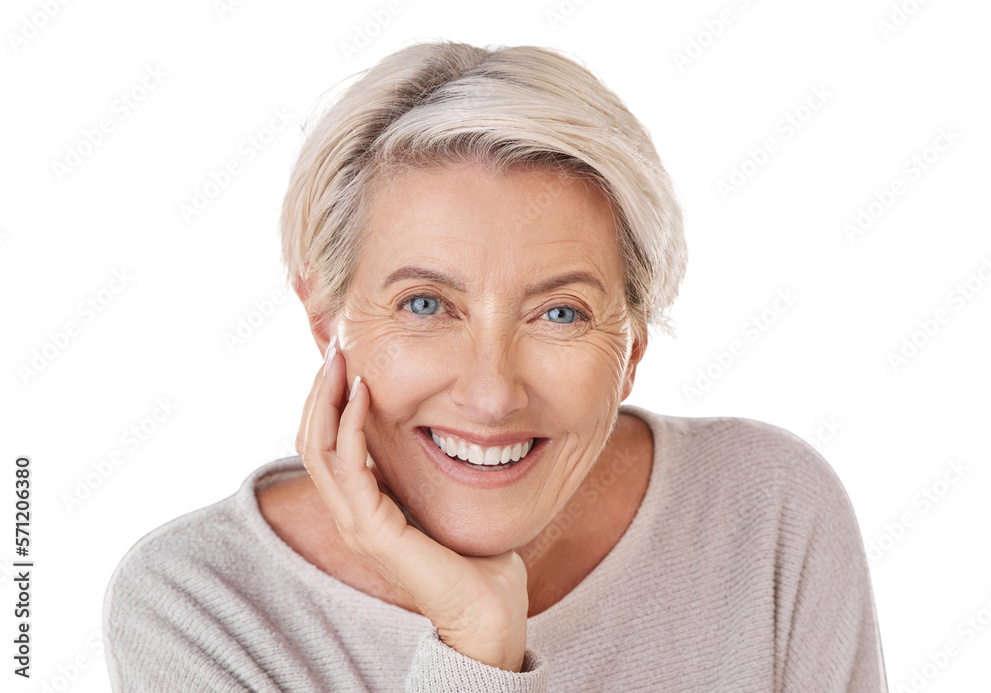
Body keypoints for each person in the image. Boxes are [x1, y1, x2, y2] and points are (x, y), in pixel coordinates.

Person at [103, 41, 888, 691]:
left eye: (560, 313)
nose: (489, 394)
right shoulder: (199, 607)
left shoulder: (767, 513)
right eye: (424, 304)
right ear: (324, 321)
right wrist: (475, 645)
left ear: (633, 347)